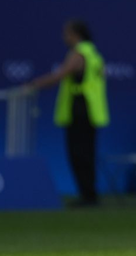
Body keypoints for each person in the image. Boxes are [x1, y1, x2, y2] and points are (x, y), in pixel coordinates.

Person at [25, 19, 109, 207]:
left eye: (67, 33)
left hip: (81, 109)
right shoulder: (94, 54)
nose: (64, 37)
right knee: (85, 153)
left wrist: (33, 85)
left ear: (76, 35)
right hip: (91, 111)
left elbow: (59, 75)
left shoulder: (79, 54)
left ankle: (88, 196)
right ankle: (88, 194)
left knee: (79, 154)